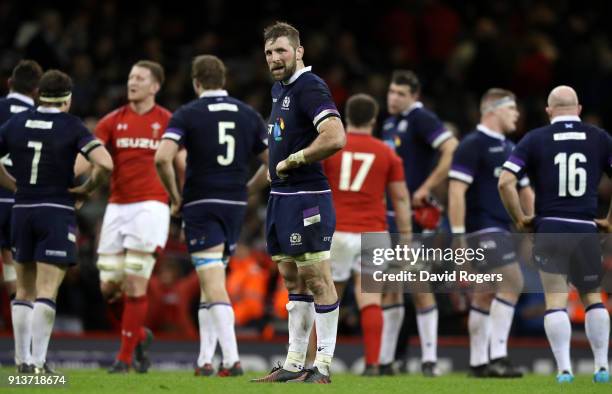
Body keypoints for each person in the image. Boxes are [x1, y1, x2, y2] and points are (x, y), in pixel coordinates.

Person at [156, 54, 269, 377]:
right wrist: (249, 188)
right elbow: (273, 162)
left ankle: (232, 359)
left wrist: (175, 197)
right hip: (233, 206)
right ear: (224, 81)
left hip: (201, 202)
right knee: (211, 282)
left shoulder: (188, 113)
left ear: (196, 82)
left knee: (212, 282)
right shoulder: (247, 113)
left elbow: (163, 158)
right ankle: (205, 359)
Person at [0, 70, 112, 374]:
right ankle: (38, 364)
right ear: (68, 99)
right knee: (47, 289)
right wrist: (86, 189)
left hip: (22, 209)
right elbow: (105, 163)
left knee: (23, 290)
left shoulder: (16, 123)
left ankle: (22, 362)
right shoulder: (72, 125)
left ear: (39, 95)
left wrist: (11, 184)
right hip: (55, 209)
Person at [251, 21, 346, 384]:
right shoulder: (280, 89)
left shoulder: (310, 86)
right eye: (269, 53)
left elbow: (335, 136)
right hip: (281, 198)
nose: (275, 58)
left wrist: (297, 159)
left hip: (307, 197)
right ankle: (293, 362)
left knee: (317, 277)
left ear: (299, 51)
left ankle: (321, 365)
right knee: (291, 278)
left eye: (281, 51)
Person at [498, 85, 611, 384]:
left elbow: (505, 182)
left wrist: (520, 219)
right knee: (592, 297)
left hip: (550, 227)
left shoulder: (535, 138)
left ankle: (564, 370)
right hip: (586, 228)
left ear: (549, 111)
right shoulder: (599, 138)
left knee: (555, 299)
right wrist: (609, 219)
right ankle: (602, 366)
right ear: (579, 109)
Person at [80, 61, 173, 373]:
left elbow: (182, 161)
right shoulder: (112, 120)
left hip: (152, 206)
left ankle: (123, 358)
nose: (132, 82)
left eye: (140, 78)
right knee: (108, 288)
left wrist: (183, 196)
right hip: (117, 207)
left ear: (155, 87)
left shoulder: (168, 122)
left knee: (135, 283)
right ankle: (138, 336)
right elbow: (88, 157)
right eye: (131, 76)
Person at [322, 93, 412, 376]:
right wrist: (407, 237)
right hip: (374, 233)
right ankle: (373, 363)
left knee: (327, 299)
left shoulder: (332, 147)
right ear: (374, 119)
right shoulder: (387, 153)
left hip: (337, 232)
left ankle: (315, 362)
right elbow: (400, 199)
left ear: (346, 117)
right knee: (371, 300)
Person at [448, 88, 533, 378]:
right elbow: (456, 192)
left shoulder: (512, 147)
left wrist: (528, 226)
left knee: (484, 295)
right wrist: (459, 236)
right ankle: (498, 356)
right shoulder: (473, 144)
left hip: (503, 228)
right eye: (512, 109)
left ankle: (478, 363)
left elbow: (525, 189)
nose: (517, 114)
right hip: (482, 227)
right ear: (494, 110)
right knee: (513, 281)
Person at [382, 70, 458, 376]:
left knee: (419, 284)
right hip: (389, 215)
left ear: (414, 96)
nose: (394, 97)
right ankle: (387, 360)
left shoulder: (420, 118)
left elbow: (451, 148)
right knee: (390, 286)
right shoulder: (389, 123)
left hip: (413, 217)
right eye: (391, 91)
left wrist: (426, 187)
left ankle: (429, 360)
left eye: (401, 93)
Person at [0, 60, 42, 329]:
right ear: (36, 91)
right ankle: (26, 346)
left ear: (9, 83)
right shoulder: (40, 116)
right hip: (22, 202)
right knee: (17, 268)